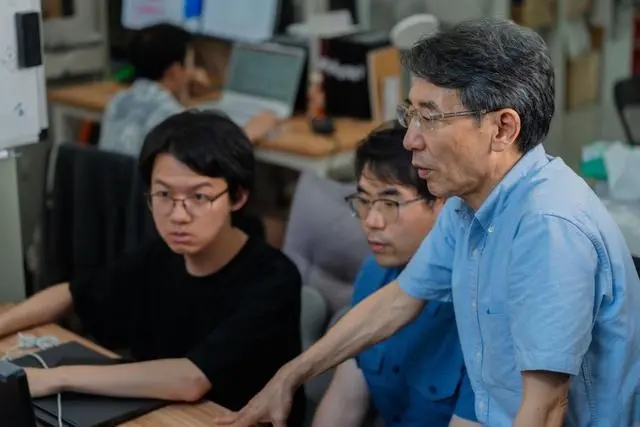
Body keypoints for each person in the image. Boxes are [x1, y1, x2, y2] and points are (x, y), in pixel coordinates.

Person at [213, 18, 640, 427]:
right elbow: (398, 301)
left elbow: (545, 409)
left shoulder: (549, 228)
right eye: (410, 114)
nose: (410, 139)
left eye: (430, 118)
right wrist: (289, 376)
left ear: (502, 129)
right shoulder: (468, 203)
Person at [0, 110, 306, 426]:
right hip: (158, 414)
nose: (178, 215)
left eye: (199, 196)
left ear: (237, 197)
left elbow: (191, 379)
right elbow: (72, 293)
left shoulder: (274, 278)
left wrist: (56, 378)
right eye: (163, 195)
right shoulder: (160, 255)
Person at [311, 125, 478, 427]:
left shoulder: (481, 305)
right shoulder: (373, 273)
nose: (372, 221)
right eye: (364, 201)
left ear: (443, 203)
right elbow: (345, 402)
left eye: (390, 203)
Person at [99, 23, 277, 157]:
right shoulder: (172, 119)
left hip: (113, 193)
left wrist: (183, 90)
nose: (193, 71)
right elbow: (215, 158)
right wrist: (249, 132)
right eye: (191, 64)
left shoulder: (117, 101)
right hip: (147, 195)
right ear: (174, 72)